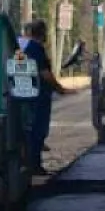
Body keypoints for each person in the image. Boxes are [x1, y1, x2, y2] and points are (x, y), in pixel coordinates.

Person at [21, 19, 70, 175]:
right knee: (38, 131)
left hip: (24, 94)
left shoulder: (21, 47)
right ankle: (34, 166)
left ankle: (29, 164)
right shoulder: (36, 49)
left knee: (28, 130)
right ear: (43, 34)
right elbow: (45, 74)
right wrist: (59, 88)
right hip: (39, 97)